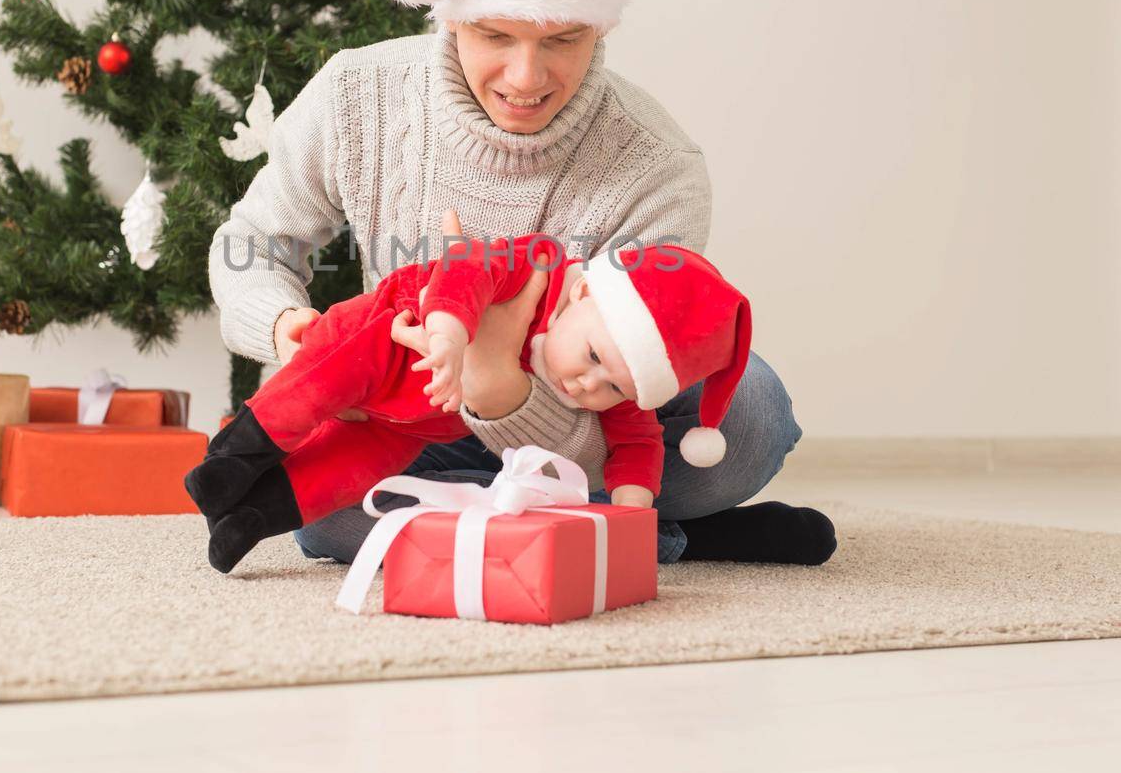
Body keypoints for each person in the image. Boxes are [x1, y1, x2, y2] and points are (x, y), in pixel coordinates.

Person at [209, 0, 836, 568]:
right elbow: (251, 241)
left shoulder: (657, 169)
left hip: (585, 420)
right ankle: (657, 535)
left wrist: (500, 378)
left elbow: (622, 406)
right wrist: (287, 328)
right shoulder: (357, 94)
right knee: (329, 518)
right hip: (412, 408)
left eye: (563, 40)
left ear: (600, 25)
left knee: (750, 413)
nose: (526, 76)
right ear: (448, 13)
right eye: (494, 34)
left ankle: (549, 521)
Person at [190, 218, 753, 573]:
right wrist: (451, 335)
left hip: (419, 425)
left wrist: (632, 512)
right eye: (594, 360)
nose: (589, 387)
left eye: (615, 389)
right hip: (390, 337)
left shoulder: (622, 378)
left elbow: (639, 439)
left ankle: (252, 520)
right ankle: (230, 461)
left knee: (348, 476)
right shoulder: (541, 267)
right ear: (583, 294)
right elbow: (471, 266)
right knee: (314, 390)